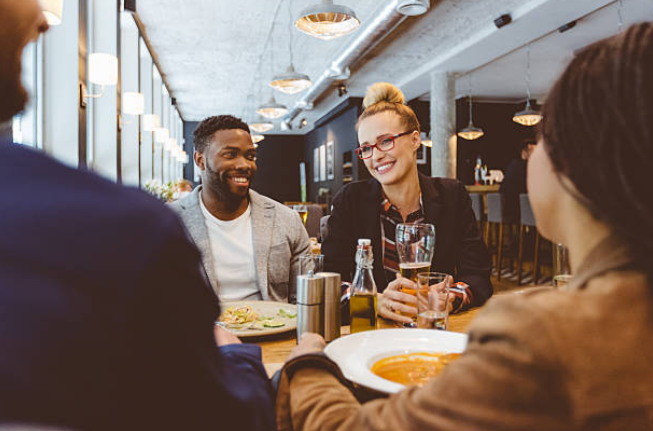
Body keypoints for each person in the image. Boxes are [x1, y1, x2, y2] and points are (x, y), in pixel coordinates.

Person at [276, 23, 653, 430]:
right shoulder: (352, 200)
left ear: (581, 160)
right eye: (366, 147)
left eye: (543, 134)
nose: (527, 156)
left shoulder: (531, 335)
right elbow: (335, 276)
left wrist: (307, 361)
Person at [0, 2, 275, 429]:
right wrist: (238, 353)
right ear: (200, 162)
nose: (41, 19)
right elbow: (228, 415)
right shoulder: (126, 231)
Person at [322, 82, 492, 323]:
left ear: (414, 140)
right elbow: (330, 281)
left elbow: (478, 275)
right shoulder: (350, 200)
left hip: (433, 329)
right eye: (366, 148)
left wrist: (450, 297)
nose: (376, 155)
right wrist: (371, 299)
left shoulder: (452, 195)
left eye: (385, 141)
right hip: (374, 333)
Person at [169, 115, 310, 303]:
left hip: (277, 329)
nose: (245, 165)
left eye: (250, 156)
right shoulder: (169, 222)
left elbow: (305, 299)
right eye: (230, 154)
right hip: (198, 331)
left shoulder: (287, 220)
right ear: (200, 160)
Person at [500, 138, 537, 224]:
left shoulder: (512, 165)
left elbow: (502, 189)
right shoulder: (527, 167)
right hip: (521, 211)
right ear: (527, 150)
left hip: (508, 210)